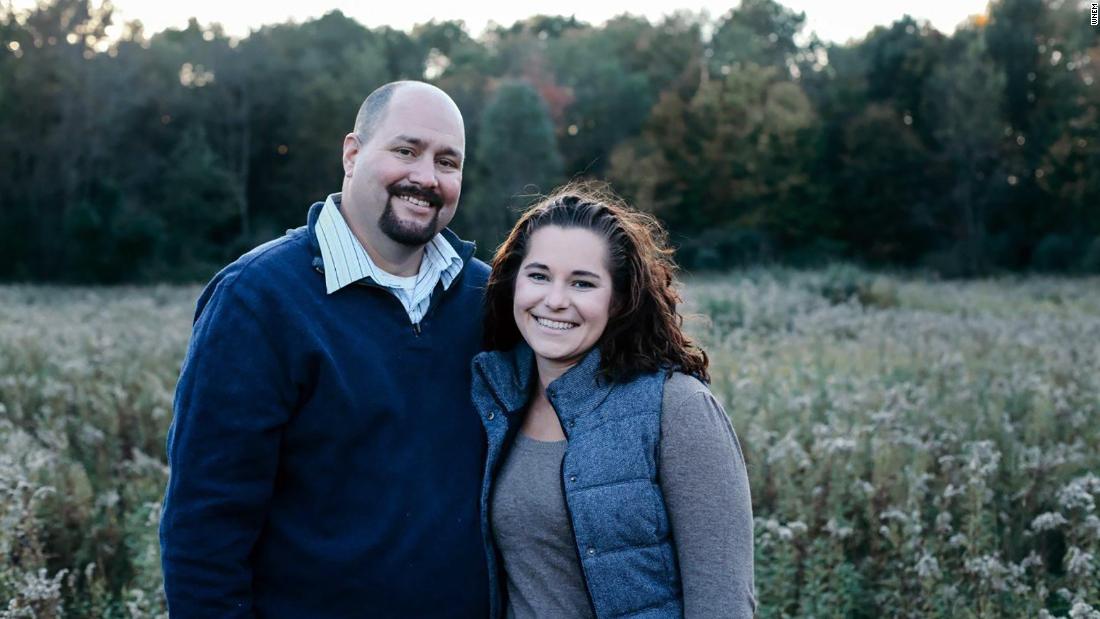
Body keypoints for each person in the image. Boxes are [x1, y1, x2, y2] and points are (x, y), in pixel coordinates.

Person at [159, 81, 490, 618]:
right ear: (353, 154)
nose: (425, 177)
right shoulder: (259, 298)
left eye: (447, 161)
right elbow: (205, 523)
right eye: (405, 151)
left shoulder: (485, 298)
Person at [471, 184, 756, 618]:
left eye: (582, 283)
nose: (555, 300)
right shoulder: (495, 399)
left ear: (619, 299)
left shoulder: (677, 408)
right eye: (539, 275)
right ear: (513, 283)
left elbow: (723, 602)